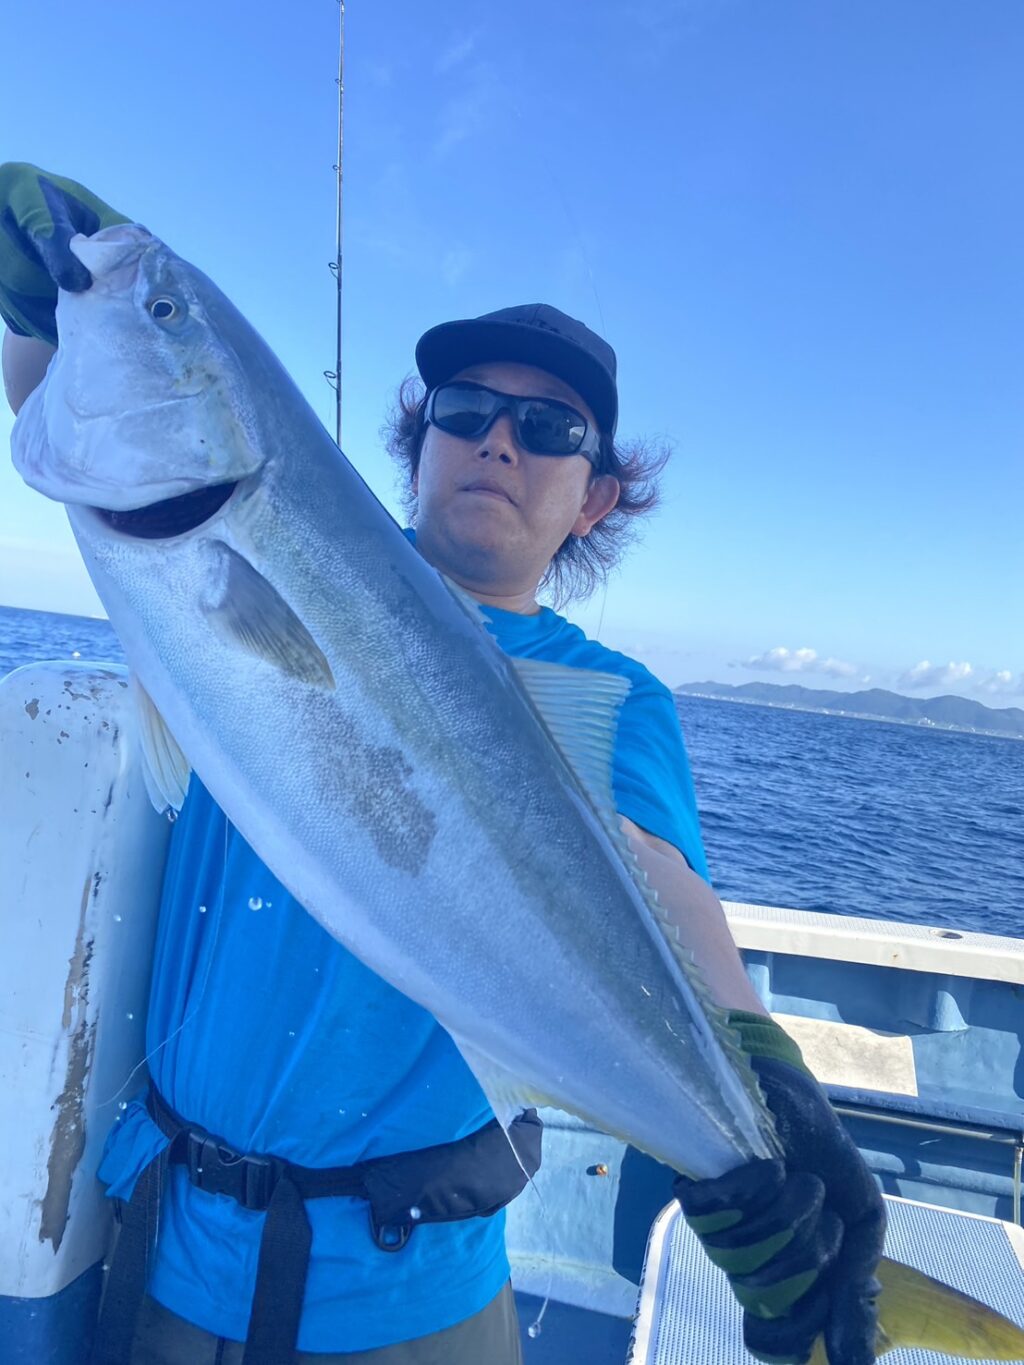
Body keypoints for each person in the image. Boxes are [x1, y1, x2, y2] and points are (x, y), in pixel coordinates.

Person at [1, 163, 884, 1365]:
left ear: (595, 499)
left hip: (411, 1298)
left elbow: (653, 880)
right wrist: (49, 298)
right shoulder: (261, 542)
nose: (498, 442)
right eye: (464, 411)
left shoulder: (612, 695)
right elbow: (81, 405)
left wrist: (762, 1091)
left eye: (548, 429)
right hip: (168, 1251)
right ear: (419, 447)